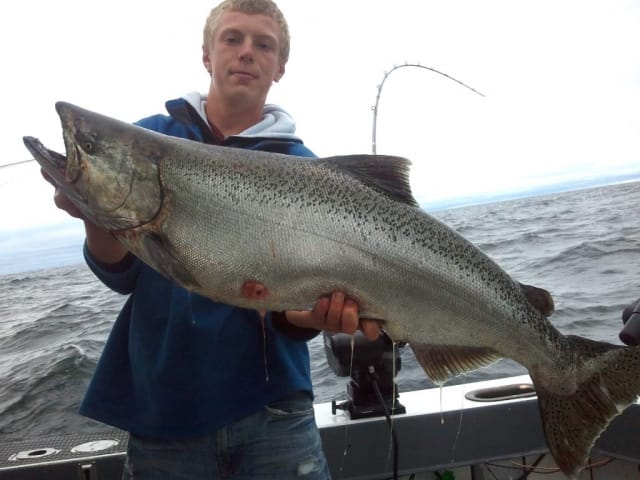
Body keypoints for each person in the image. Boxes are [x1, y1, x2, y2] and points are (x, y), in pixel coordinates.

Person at [43, 1, 379, 478]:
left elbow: (289, 313)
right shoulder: (149, 139)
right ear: (207, 55)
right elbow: (121, 274)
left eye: (263, 45)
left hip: (273, 411)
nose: (246, 52)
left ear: (280, 66)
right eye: (232, 39)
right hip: (163, 411)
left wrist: (321, 315)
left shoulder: (305, 169)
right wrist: (93, 212)